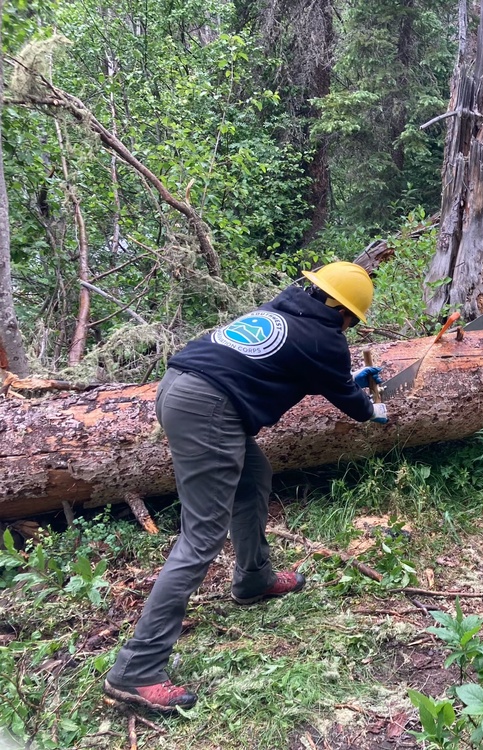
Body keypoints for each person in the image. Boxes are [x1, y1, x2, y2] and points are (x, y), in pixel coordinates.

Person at [103, 261, 388, 712]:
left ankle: (253, 579)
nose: (349, 328)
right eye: (352, 321)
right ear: (346, 313)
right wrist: (370, 407)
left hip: (180, 386)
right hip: (209, 407)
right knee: (202, 537)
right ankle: (136, 669)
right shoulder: (326, 338)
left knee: (254, 476)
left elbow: (287, 365)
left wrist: (345, 382)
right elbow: (352, 406)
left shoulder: (285, 307)